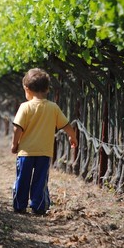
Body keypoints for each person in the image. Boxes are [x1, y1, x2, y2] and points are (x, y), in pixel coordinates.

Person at [11, 68, 78, 215]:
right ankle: (39, 206)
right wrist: (72, 137)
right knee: (40, 180)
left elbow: (18, 128)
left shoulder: (25, 107)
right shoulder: (53, 107)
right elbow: (66, 125)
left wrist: (14, 145)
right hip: (45, 152)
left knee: (22, 178)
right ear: (47, 89)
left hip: (25, 152)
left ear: (26, 89)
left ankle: (19, 205)